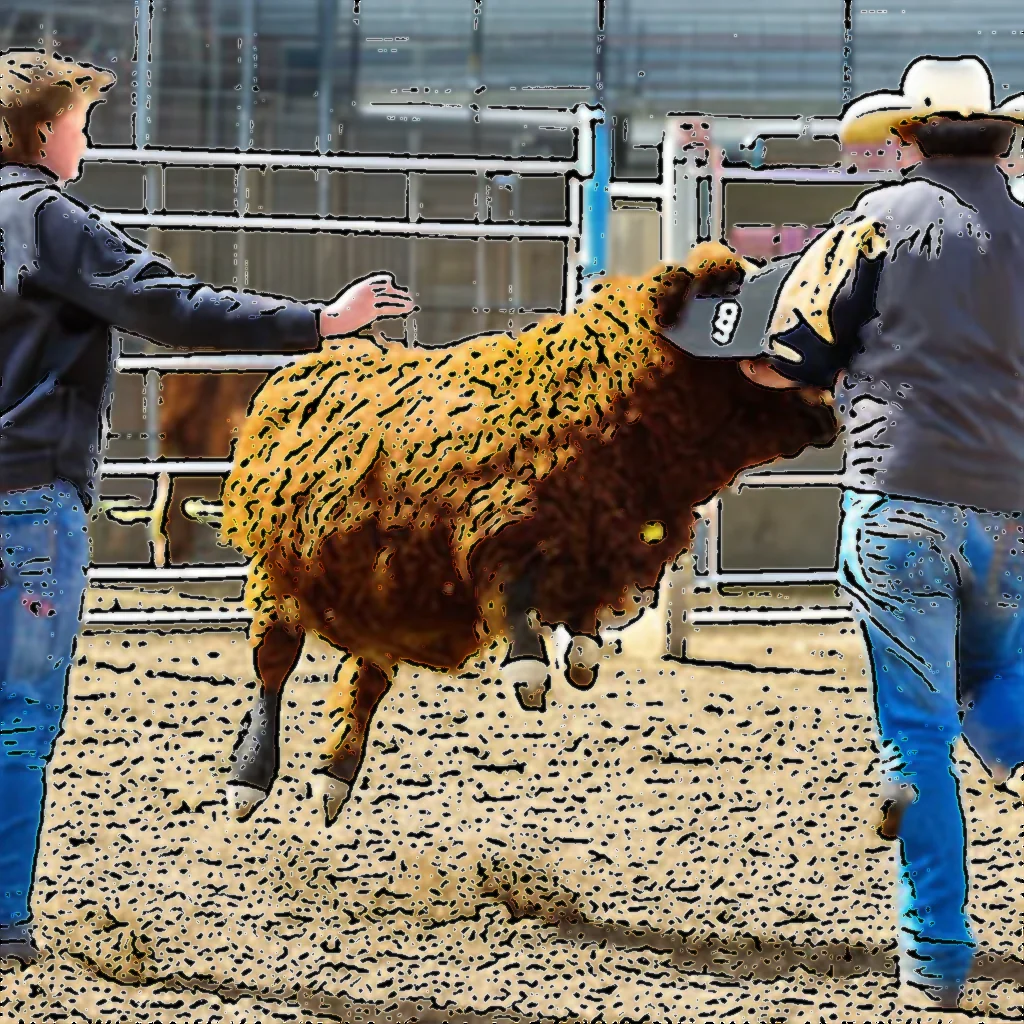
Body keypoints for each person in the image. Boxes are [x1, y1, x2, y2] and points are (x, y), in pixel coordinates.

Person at [0, 49, 415, 965]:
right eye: (80, 124)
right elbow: (174, 307)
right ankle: (1, 922)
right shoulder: (50, 220)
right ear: (44, 132)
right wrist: (321, 322)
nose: (85, 141)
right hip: (28, 500)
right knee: (18, 718)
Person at [740, 56, 1024, 1010]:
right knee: (997, 687)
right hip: (1011, 509)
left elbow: (791, 350)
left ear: (906, 137)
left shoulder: (875, 225)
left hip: (897, 497)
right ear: (1002, 140)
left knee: (917, 734)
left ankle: (937, 961)